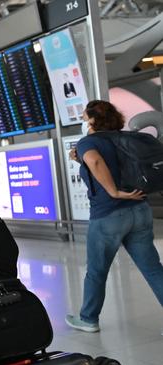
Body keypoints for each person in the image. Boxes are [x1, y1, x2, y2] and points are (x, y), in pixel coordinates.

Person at [66, 100, 163, 333]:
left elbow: (96, 160)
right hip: (139, 210)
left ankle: (88, 319)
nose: (82, 120)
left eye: (83, 116)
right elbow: (110, 162)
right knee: (153, 268)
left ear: (92, 120)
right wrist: (80, 157)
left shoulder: (88, 141)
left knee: (97, 270)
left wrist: (113, 191)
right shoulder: (122, 138)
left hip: (108, 215)